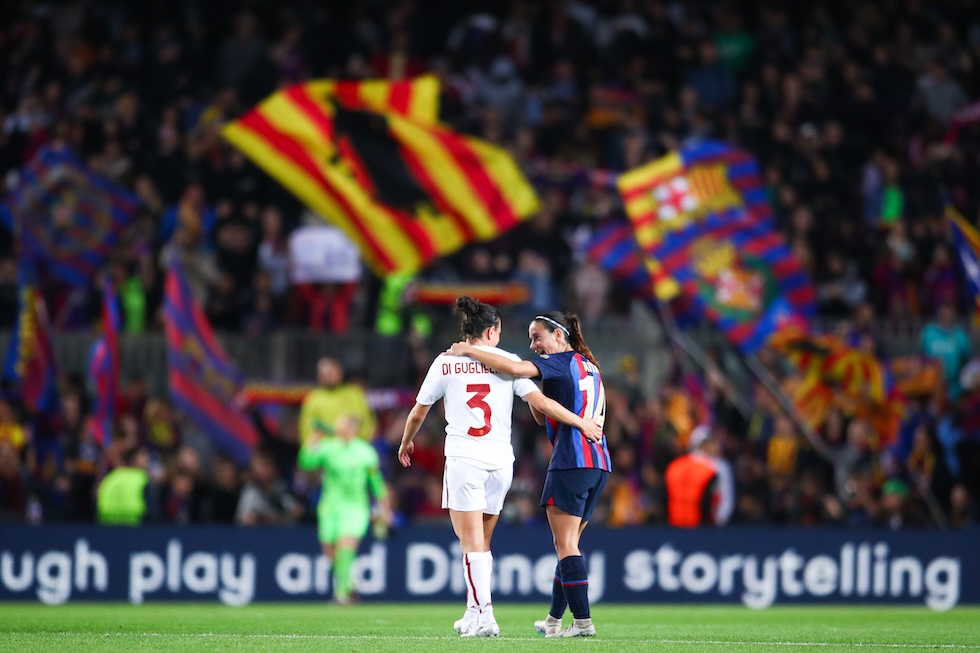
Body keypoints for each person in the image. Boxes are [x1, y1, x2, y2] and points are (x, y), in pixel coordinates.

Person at [399, 298, 603, 638]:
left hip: (465, 460)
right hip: (500, 463)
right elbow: (541, 404)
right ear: (493, 331)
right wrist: (580, 421)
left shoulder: (446, 361)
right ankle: (472, 613)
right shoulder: (509, 362)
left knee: (469, 543)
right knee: (483, 542)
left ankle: (487, 616)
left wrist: (406, 441)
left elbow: (420, 411)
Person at [299, 414, 391, 605]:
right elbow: (306, 462)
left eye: (341, 424)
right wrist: (313, 438)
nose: (337, 427)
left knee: (345, 547)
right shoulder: (328, 448)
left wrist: (385, 510)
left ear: (352, 428)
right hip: (329, 507)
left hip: (356, 508)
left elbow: (377, 484)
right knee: (329, 552)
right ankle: (349, 583)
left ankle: (341, 595)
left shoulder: (365, 452)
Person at [299, 357, 376, 443]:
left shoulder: (354, 394)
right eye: (326, 373)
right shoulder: (313, 399)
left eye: (332, 372)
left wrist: (362, 442)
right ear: (319, 376)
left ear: (340, 372)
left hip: (354, 445)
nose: (329, 376)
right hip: (325, 448)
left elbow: (366, 421)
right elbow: (307, 429)